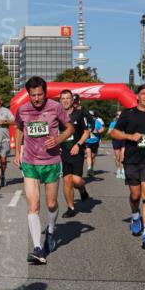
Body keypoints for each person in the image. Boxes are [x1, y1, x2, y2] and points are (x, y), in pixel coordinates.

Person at [13, 77, 73, 264]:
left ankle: (51, 230)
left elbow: (69, 128)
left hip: (51, 162)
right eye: (33, 95)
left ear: (45, 93)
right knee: (33, 205)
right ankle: (38, 248)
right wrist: (17, 152)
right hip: (30, 162)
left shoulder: (56, 107)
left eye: (40, 94)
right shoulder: (22, 109)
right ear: (28, 94)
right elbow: (19, 128)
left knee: (52, 204)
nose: (37, 98)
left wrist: (58, 139)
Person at [109, 85, 145, 250]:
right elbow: (113, 133)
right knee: (135, 195)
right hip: (132, 160)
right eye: (143, 94)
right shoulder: (129, 113)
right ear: (137, 97)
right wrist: (129, 136)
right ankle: (135, 216)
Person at [59, 90, 91, 218]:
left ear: (72, 100)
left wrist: (78, 145)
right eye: (63, 98)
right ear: (60, 100)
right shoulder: (57, 114)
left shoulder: (79, 113)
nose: (65, 100)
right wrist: (56, 145)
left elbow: (86, 132)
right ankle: (71, 208)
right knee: (67, 181)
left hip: (77, 150)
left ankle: (82, 189)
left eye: (68, 98)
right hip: (63, 152)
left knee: (76, 180)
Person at [84, 111, 105, 177]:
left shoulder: (97, 122)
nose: (90, 117)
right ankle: (89, 169)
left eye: (91, 115)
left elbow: (102, 129)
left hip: (95, 141)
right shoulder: (85, 122)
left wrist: (97, 131)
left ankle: (91, 168)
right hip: (87, 141)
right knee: (88, 155)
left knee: (93, 156)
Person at [109, 111, 125, 180]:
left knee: (124, 157)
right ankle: (118, 171)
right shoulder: (113, 123)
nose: (120, 116)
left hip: (124, 140)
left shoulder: (126, 123)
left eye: (121, 115)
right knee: (117, 157)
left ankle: (123, 172)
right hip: (116, 141)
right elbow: (109, 132)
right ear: (116, 116)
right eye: (118, 115)